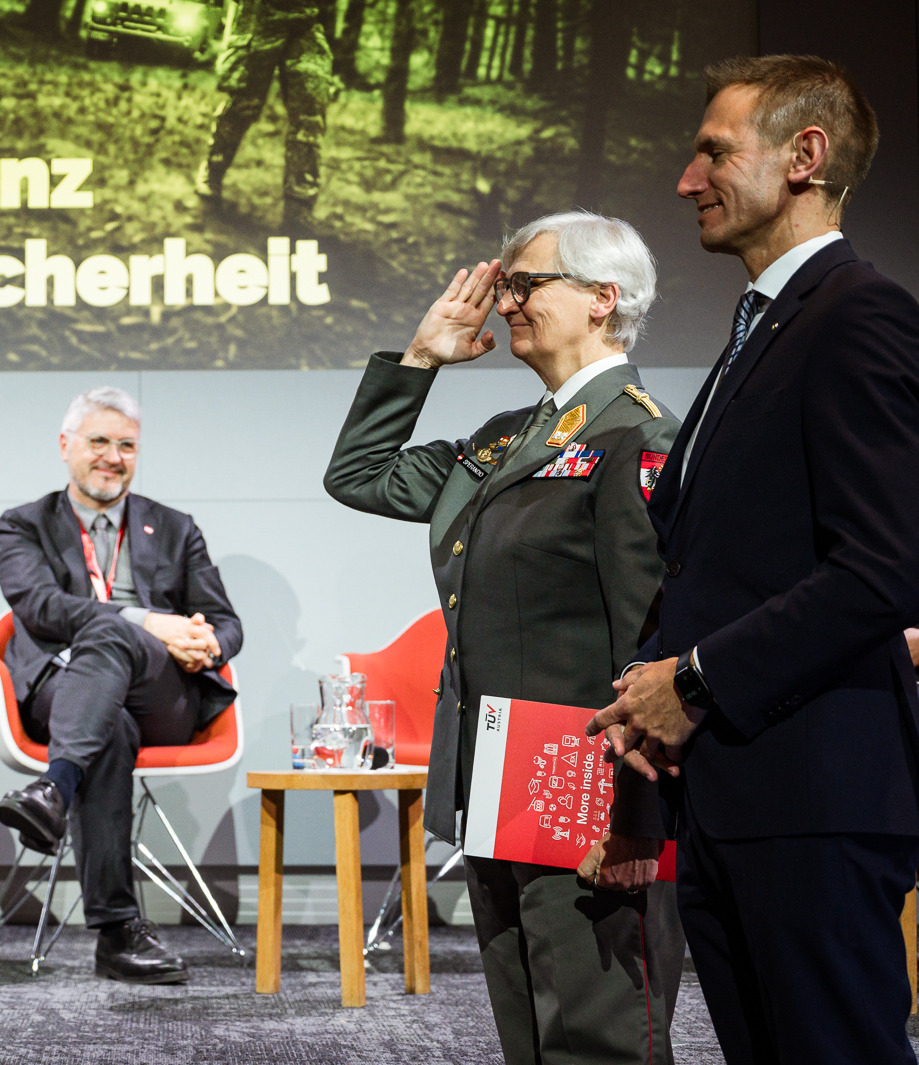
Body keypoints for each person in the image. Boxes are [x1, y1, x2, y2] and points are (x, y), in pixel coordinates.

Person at [589, 55, 919, 1065]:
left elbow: (884, 567)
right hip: (737, 794)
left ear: (804, 158)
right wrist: (649, 700)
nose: (688, 181)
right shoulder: (764, 325)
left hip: (815, 800)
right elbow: (713, 564)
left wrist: (693, 680)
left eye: (714, 153)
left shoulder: (856, 317)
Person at [325, 211, 685, 1063]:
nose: (507, 300)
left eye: (526, 283)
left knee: (600, 1037)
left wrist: (640, 814)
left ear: (604, 299)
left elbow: (651, 640)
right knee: (527, 1032)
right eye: (506, 284)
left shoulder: (637, 434)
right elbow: (359, 475)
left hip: (587, 787)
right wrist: (421, 360)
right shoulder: (503, 438)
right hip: (497, 781)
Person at [0, 387, 241, 984]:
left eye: (126, 445)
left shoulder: (176, 529)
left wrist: (203, 642)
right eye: (99, 441)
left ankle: (53, 788)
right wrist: (147, 620)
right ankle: (117, 934)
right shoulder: (24, 525)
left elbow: (227, 622)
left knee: (115, 638)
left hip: (163, 691)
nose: (113, 456)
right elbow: (40, 607)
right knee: (110, 713)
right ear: (65, 447)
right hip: (65, 683)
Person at [193, 0, 335, 230]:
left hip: (306, 21)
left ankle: (298, 209)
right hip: (259, 17)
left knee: (310, 113)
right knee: (243, 104)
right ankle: (212, 173)